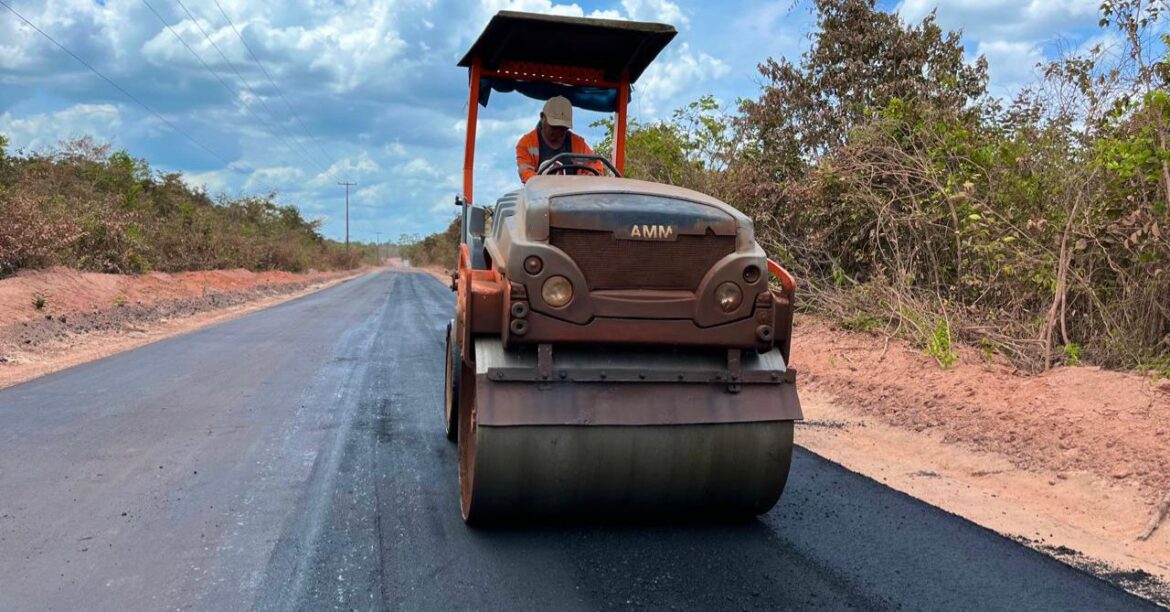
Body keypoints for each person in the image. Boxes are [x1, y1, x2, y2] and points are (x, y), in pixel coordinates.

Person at [515, 96, 605, 183]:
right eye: (554, 127)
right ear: (542, 117)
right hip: (540, 196)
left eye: (563, 128)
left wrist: (586, 182)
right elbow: (526, 174)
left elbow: (595, 167)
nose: (558, 132)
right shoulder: (527, 144)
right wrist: (544, 185)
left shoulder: (578, 144)